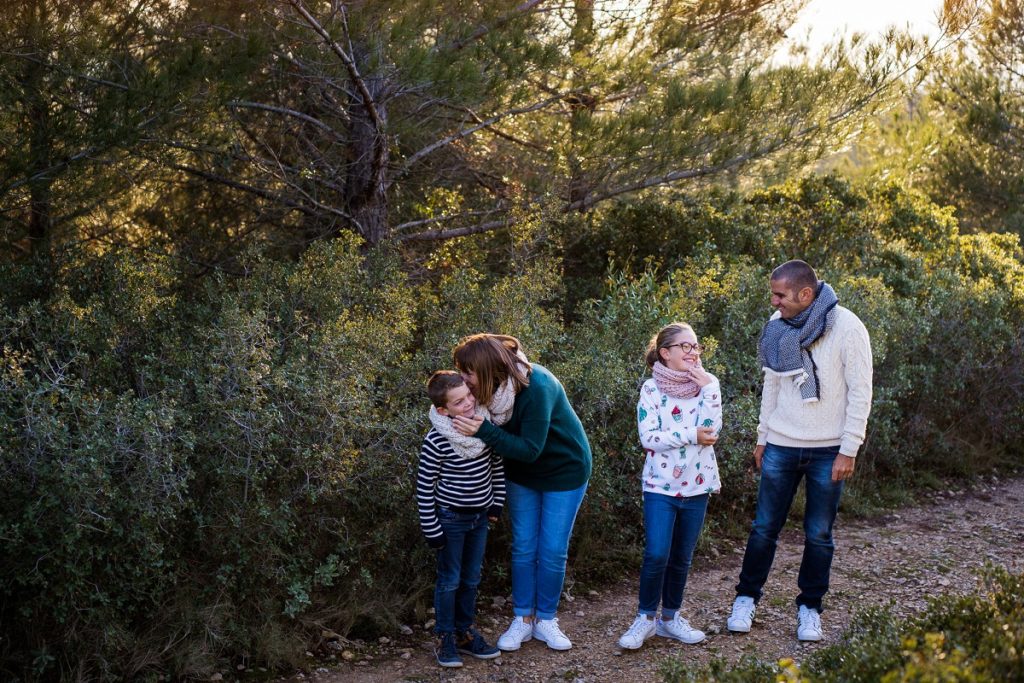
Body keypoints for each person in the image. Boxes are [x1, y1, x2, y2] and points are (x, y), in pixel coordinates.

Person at [727, 260, 872, 642]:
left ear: (805, 294)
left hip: (829, 450)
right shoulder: (776, 327)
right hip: (781, 444)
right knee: (763, 529)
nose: (774, 303)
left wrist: (849, 449)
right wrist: (762, 437)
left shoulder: (848, 327)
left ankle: (809, 608)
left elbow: (860, 392)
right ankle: (745, 598)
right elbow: (772, 387)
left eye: (780, 295)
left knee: (819, 534)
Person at [450, 333, 592, 652]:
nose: (463, 379)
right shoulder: (485, 393)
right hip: (521, 473)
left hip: (564, 471)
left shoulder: (537, 386)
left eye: (467, 372)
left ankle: (546, 620)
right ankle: (523, 619)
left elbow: (530, 448)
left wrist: (484, 431)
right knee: (525, 546)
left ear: (487, 370)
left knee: (552, 549)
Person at [617, 322, 723, 650]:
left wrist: (711, 389)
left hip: (698, 485)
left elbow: (712, 431)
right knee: (657, 553)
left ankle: (670, 619)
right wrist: (691, 435)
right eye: (686, 347)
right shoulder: (651, 389)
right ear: (666, 353)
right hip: (660, 486)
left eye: (696, 347)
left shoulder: (707, 383)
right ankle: (645, 618)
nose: (693, 353)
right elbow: (649, 438)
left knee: (682, 556)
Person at [416, 370, 505, 668]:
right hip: (450, 521)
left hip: (479, 518)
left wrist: (496, 504)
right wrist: (431, 527)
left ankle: (465, 632)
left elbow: (497, 466)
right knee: (450, 581)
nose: (467, 404)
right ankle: (445, 637)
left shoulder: (484, 426)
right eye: (458, 402)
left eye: (468, 396)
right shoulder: (437, 440)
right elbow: (425, 485)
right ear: (443, 410)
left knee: (471, 578)